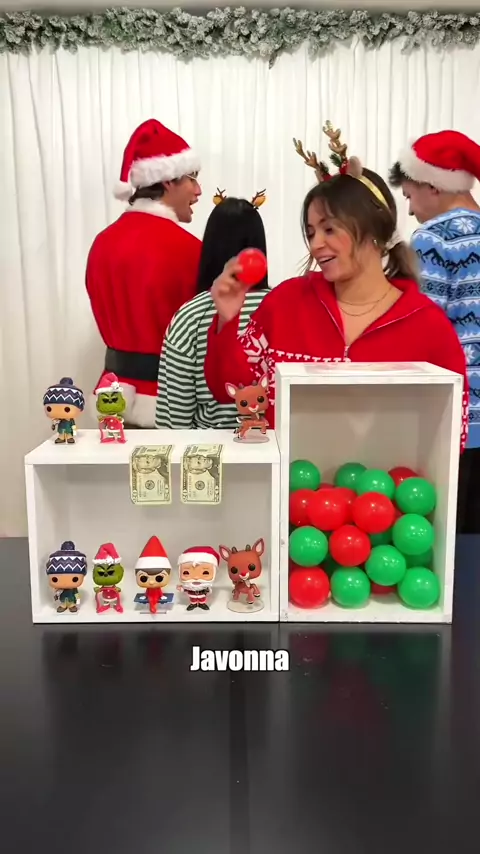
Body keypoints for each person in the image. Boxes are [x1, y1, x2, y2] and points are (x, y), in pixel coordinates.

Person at [204, 121, 469, 450]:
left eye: (329, 229)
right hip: (289, 480)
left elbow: (450, 436)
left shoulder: (427, 326)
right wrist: (228, 320)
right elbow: (230, 388)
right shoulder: (286, 303)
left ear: (374, 230)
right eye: (311, 232)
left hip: (387, 483)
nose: (316, 244)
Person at [389, 130, 480, 531]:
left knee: (449, 538)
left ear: (433, 186)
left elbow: (422, 329)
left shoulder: (433, 238)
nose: (410, 210)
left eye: (409, 196)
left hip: (460, 417)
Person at [86, 118, 203, 428]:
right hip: (172, 404)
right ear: (168, 181)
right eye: (192, 178)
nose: (198, 190)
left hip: (112, 399)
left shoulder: (101, 244)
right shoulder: (191, 250)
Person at [155, 191, 270, 429]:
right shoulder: (282, 307)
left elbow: (173, 422)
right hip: (274, 445)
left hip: (208, 449)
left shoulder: (189, 317)